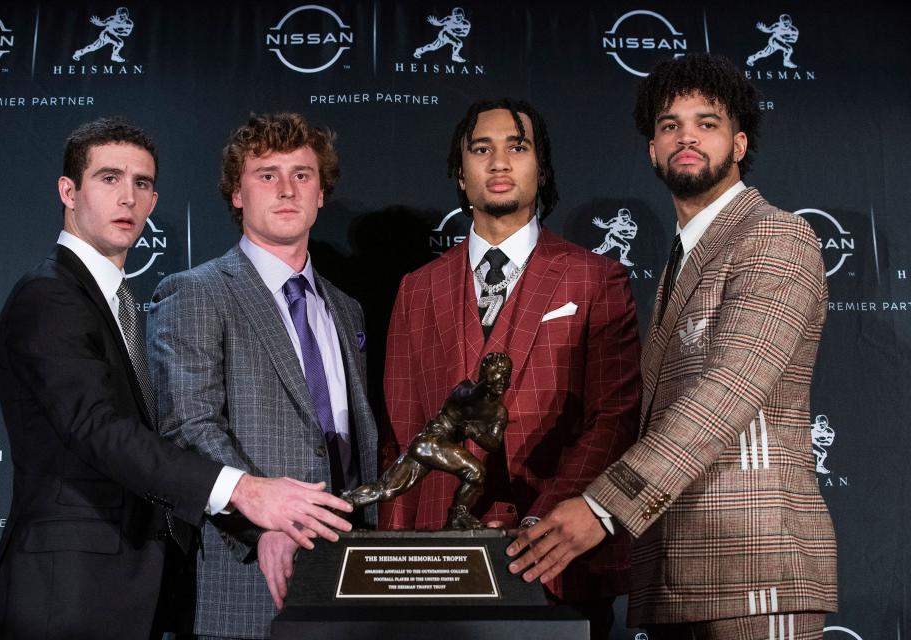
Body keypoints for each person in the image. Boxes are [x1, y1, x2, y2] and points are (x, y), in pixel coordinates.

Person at [508, 53, 837, 640]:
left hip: (754, 573)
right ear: (653, 152)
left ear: (737, 144)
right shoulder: (679, 263)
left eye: (706, 123)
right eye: (669, 125)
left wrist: (603, 506)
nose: (686, 135)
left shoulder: (775, 235)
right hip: (673, 577)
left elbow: (728, 390)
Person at [0, 117, 353, 639]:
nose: (128, 198)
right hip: (65, 590)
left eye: (142, 184)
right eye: (109, 179)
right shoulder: (49, 296)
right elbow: (99, 428)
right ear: (69, 191)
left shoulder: (118, 301)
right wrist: (245, 492)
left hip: (130, 588)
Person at [379, 98, 642, 637]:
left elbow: (613, 418)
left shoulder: (597, 279)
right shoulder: (416, 288)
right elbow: (401, 431)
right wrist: (397, 559)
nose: (499, 163)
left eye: (516, 147)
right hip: (437, 569)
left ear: (540, 168)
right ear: (460, 170)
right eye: (482, 149)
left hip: (554, 563)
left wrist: (541, 522)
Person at [147, 112, 379, 638]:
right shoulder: (196, 292)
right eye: (266, 174)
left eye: (302, 174)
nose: (286, 189)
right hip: (248, 577)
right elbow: (188, 426)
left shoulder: (346, 310)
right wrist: (260, 525)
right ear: (236, 194)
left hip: (349, 573)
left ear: (322, 194)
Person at [344, 352, 511, 529]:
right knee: (476, 471)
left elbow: (494, 444)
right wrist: (487, 382)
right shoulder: (465, 390)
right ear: (486, 375)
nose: (503, 379)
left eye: (507, 374)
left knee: (386, 488)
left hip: (430, 448)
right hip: (430, 442)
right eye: (499, 372)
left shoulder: (499, 413)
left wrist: (475, 433)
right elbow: (473, 395)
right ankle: (457, 515)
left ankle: (343, 504)